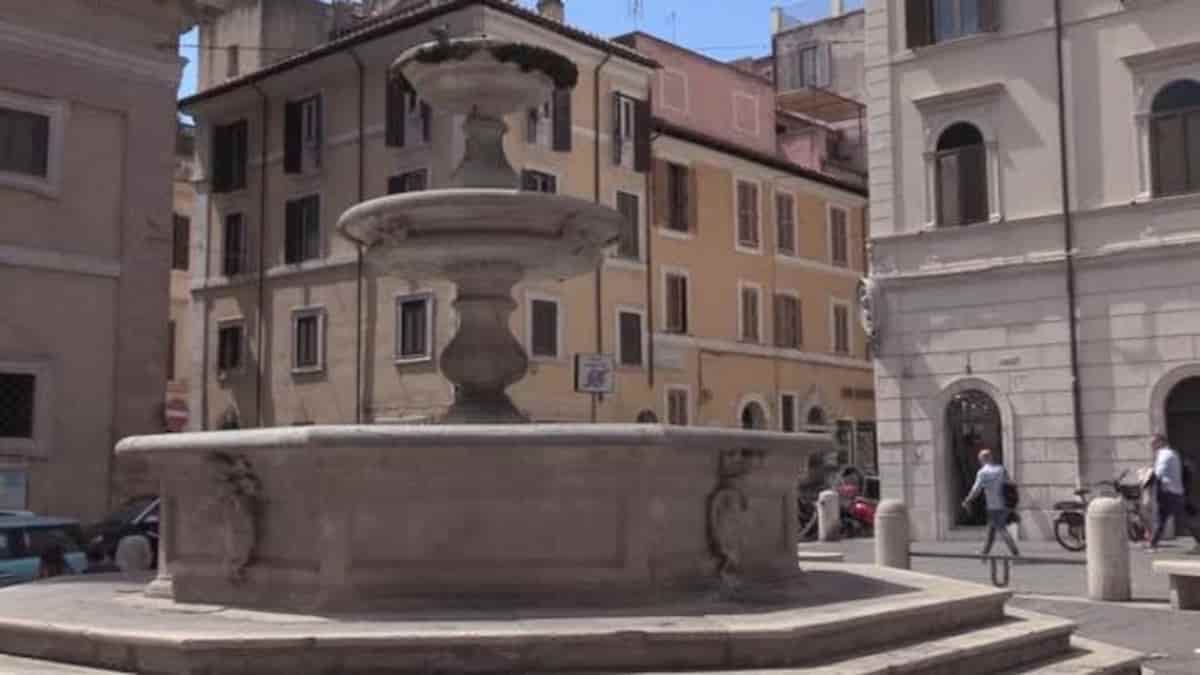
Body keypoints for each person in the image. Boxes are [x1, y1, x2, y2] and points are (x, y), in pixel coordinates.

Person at [1146, 433, 1200, 553]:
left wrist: (1146, 479)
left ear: (1161, 442)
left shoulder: (1164, 454)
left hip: (1170, 493)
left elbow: (1158, 473)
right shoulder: (1172, 453)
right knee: (1161, 519)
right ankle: (1152, 544)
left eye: (1153, 443)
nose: (1152, 446)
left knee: (1184, 519)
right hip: (1173, 492)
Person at [961, 448, 1020, 558]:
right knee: (991, 530)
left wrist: (968, 500)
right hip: (1004, 504)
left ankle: (1015, 552)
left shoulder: (982, 473)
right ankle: (984, 553)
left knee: (1001, 529)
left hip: (993, 505)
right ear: (991, 458)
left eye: (980, 459)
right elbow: (1011, 483)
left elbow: (976, 489)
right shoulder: (1001, 469)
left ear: (982, 459)